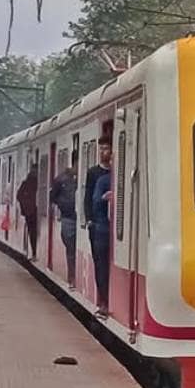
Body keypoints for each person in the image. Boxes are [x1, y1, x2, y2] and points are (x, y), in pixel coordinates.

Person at [85, 133, 113, 317]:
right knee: (100, 262)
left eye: (106, 148)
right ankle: (103, 300)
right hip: (98, 224)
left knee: (104, 263)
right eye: (101, 148)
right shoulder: (94, 173)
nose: (103, 152)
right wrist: (89, 218)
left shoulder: (115, 174)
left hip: (109, 225)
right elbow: (89, 197)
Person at [50, 152, 78, 287]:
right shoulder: (61, 179)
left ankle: (73, 276)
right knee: (71, 248)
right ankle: (72, 277)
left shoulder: (81, 178)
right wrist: (62, 206)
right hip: (68, 218)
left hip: (78, 219)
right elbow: (52, 197)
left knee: (72, 249)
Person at [90, 166, 112, 318]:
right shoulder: (103, 181)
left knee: (102, 266)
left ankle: (105, 301)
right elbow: (95, 201)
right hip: (103, 229)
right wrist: (105, 197)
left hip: (110, 230)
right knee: (102, 266)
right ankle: (104, 301)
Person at [16, 164, 39, 260]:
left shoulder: (25, 182)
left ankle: (33, 252)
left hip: (29, 211)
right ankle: (33, 252)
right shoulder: (35, 182)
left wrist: (24, 208)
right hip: (33, 211)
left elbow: (18, 196)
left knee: (31, 231)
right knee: (33, 232)